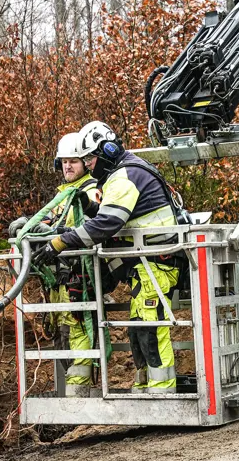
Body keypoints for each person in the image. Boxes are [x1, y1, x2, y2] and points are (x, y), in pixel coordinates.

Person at [33, 121, 180, 394]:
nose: (88, 165)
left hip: (155, 262)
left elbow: (107, 224)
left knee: (149, 325)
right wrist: (88, 207)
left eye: (89, 158)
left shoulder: (125, 176)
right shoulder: (121, 175)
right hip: (145, 264)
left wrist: (61, 241)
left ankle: (161, 388)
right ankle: (147, 385)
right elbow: (106, 215)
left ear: (107, 151)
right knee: (138, 326)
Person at [9, 132, 99, 397]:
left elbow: (84, 225)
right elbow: (50, 220)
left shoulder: (90, 191)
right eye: (63, 162)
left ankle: (78, 393)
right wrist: (29, 222)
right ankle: (72, 391)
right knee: (61, 330)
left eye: (73, 161)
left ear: (85, 163)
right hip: (57, 277)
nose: (68, 166)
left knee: (79, 327)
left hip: (78, 273)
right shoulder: (61, 195)